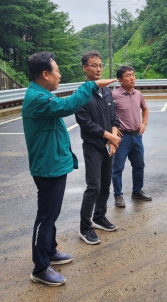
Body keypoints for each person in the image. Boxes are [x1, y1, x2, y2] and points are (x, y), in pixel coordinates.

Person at [22, 51, 115, 286]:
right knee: (45, 217)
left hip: (54, 164)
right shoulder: (37, 98)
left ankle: (50, 250)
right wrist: (91, 86)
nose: (60, 75)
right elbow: (68, 105)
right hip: (47, 167)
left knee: (51, 215)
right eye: (57, 70)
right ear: (45, 74)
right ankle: (40, 267)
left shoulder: (41, 94)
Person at [75, 51, 121, 244]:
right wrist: (109, 136)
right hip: (93, 147)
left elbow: (114, 117)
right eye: (94, 65)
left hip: (108, 147)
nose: (99, 68)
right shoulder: (82, 93)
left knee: (105, 184)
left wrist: (113, 138)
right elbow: (85, 122)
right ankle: (85, 227)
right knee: (93, 186)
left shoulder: (107, 91)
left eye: (101, 65)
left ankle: (99, 217)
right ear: (85, 68)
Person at [111, 65, 152, 207]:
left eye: (133, 74)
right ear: (120, 80)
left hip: (137, 136)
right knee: (118, 168)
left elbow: (145, 108)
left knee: (139, 165)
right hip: (122, 138)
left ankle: (137, 191)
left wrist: (144, 124)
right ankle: (118, 195)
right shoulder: (114, 95)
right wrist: (114, 131)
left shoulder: (138, 94)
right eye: (128, 75)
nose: (132, 77)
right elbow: (107, 114)